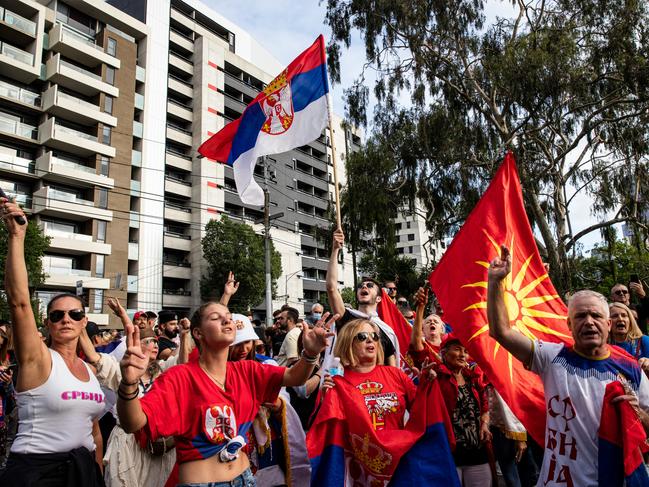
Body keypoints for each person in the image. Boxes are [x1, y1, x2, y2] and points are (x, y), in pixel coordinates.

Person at [116, 300, 332, 486]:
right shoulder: (179, 377)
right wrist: (129, 384)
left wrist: (310, 354)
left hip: (246, 479)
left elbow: (295, 377)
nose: (227, 320)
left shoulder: (248, 371)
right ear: (198, 333)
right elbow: (134, 423)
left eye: (228, 317)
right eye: (216, 317)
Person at [488, 245, 649, 486]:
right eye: (580, 316)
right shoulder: (551, 357)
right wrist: (495, 282)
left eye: (595, 316)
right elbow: (501, 331)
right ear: (569, 326)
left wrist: (639, 415)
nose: (589, 322)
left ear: (608, 324)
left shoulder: (630, 368)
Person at [0, 198, 104, 487]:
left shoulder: (90, 372)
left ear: (84, 321)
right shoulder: (39, 359)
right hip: (36, 474)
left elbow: (93, 431)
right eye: (57, 315)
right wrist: (17, 237)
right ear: (47, 323)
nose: (66, 319)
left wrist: (96, 474)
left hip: (82, 473)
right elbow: (19, 303)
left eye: (75, 314)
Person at [79, 297, 191, 487]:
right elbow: (93, 357)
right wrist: (79, 324)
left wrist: (185, 334)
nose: (156, 345)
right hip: (128, 443)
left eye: (156, 342)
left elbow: (183, 364)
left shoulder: (162, 370)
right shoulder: (119, 370)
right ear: (137, 346)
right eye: (150, 341)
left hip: (157, 445)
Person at [326, 228, 397, 366]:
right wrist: (335, 250)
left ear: (378, 299)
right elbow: (331, 288)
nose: (364, 287)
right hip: (349, 384)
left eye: (370, 286)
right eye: (361, 286)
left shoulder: (386, 331)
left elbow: (392, 371)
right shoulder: (346, 318)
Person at [435, 334, 493, 486]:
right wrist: (421, 310)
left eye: (465, 351)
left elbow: (485, 405)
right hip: (450, 452)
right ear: (444, 353)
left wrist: (485, 424)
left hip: (477, 450)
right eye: (457, 350)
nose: (462, 355)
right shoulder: (437, 377)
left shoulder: (472, 378)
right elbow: (417, 350)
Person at [408, 287, 445, 368]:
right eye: (428, 322)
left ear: (442, 329)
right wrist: (421, 307)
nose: (432, 322)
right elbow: (416, 340)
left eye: (436, 322)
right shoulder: (422, 345)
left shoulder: (449, 348)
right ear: (423, 330)